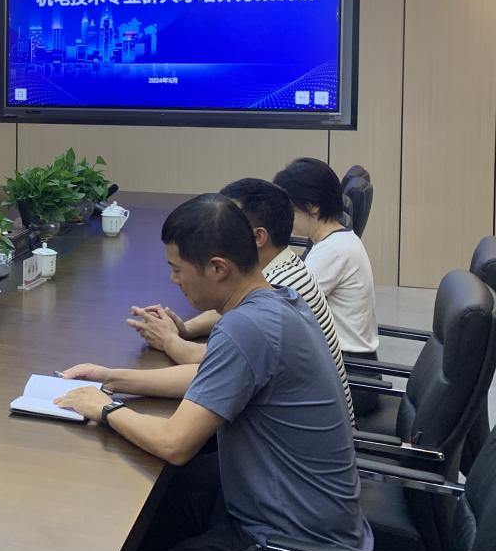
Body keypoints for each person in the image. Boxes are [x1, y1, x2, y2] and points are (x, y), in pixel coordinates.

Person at [55, 194, 370, 551]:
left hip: (286, 544)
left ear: (218, 268)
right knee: (132, 517)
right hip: (288, 515)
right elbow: (209, 379)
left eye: (177, 269)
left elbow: (175, 443)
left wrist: (105, 409)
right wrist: (110, 377)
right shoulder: (278, 301)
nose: (173, 280)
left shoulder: (246, 327)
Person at [128, 178, 353, 423]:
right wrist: (185, 329)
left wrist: (169, 340)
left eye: (232, 221)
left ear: (257, 237)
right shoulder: (275, 276)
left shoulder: (280, 289)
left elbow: (209, 363)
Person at [273, 158, 379, 410]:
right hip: (349, 367)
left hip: (351, 379)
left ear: (312, 207)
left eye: (289, 208)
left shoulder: (333, 251)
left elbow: (274, 307)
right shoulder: (337, 239)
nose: (285, 217)